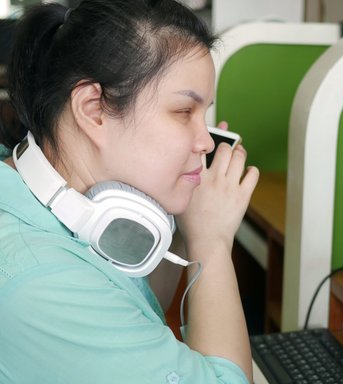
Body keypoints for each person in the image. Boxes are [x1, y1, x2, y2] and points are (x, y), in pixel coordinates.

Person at [0, 1, 259, 383]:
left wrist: (183, 223)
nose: (205, 141)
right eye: (184, 112)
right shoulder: (44, 285)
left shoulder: (37, 194)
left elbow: (140, 303)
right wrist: (212, 241)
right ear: (94, 110)